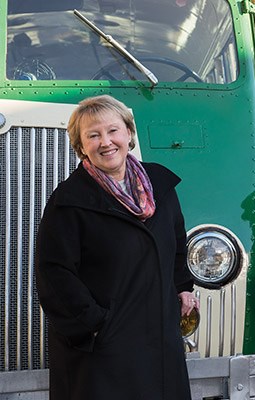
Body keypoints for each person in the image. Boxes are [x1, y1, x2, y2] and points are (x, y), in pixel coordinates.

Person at [35, 95, 198, 400]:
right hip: (105, 349)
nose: (105, 142)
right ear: (81, 146)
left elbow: (177, 241)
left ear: (128, 134)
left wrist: (183, 286)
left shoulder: (161, 185)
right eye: (93, 135)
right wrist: (95, 325)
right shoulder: (69, 201)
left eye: (113, 131)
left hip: (160, 339)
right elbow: (54, 274)